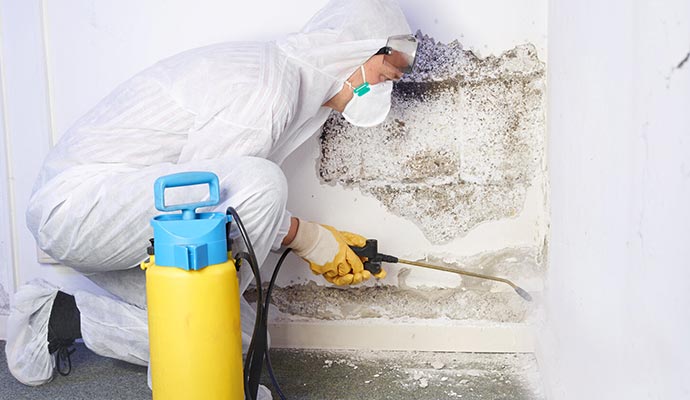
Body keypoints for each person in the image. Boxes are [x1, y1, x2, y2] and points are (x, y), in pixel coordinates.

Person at [5, 0, 413, 396]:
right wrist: (307, 238)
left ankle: (59, 317)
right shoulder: (267, 88)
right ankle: (192, 384)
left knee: (238, 337)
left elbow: (214, 196)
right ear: (351, 48)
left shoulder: (292, 85)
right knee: (261, 185)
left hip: (121, 211)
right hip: (79, 208)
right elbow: (201, 204)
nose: (386, 86)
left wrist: (311, 236)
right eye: (386, 71)